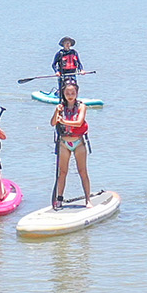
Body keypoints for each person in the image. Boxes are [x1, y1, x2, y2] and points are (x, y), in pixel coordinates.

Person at [50, 79, 95, 209]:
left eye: (72, 93)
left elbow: (79, 122)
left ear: (76, 93)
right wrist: (56, 112)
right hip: (64, 143)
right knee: (62, 172)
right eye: (67, 93)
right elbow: (53, 123)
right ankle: (59, 199)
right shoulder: (60, 107)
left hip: (78, 142)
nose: (70, 95)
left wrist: (63, 121)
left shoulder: (82, 106)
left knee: (82, 171)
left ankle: (88, 199)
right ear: (63, 94)